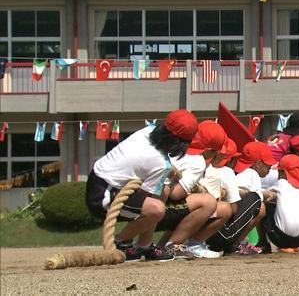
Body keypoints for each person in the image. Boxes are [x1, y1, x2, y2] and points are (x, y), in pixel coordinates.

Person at [85, 109, 197, 261]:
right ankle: (122, 242)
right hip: (103, 196)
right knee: (156, 209)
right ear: (182, 144)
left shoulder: (147, 131)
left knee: (162, 191)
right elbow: (145, 197)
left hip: (96, 181)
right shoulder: (159, 163)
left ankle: (144, 245)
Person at [156, 121, 226, 259]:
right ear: (209, 150)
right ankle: (174, 245)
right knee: (208, 202)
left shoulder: (173, 147)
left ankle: (161, 246)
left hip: (138, 201)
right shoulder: (197, 161)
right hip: (157, 208)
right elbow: (176, 194)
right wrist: (194, 191)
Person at [206, 141, 277, 255]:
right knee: (260, 205)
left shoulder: (234, 172)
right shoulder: (251, 174)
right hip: (222, 230)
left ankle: (237, 244)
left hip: (208, 230)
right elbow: (237, 202)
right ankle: (235, 245)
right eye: (268, 165)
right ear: (258, 164)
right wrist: (264, 194)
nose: (269, 168)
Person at [187, 138, 241, 258]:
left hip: (188, 220)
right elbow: (234, 209)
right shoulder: (226, 172)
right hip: (215, 232)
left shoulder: (194, 163)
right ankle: (234, 245)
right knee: (255, 201)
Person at [262, 154, 299, 252]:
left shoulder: (281, 183)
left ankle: (263, 243)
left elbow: (265, 194)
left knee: (263, 204)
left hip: (279, 238)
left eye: (280, 171)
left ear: (284, 173)